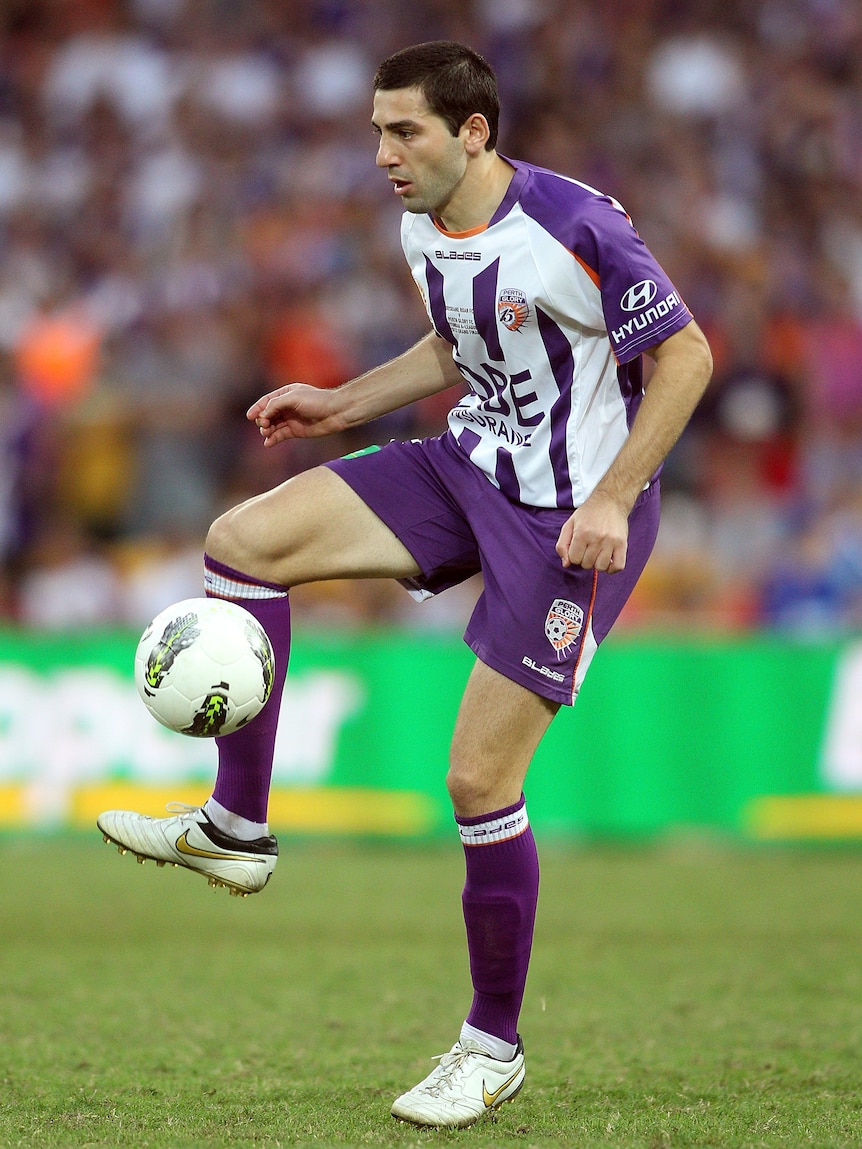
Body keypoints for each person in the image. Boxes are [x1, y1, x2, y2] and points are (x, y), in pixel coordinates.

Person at [97, 40, 713, 1128]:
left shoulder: (576, 227)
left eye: (404, 131)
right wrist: (339, 404)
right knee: (245, 540)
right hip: (469, 464)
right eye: (378, 130)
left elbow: (688, 358)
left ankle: (491, 1047)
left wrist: (613, 495)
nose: (382, 152)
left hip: (568, 516)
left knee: (477, 783)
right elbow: (453, 344)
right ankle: (238, 828)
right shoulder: (421, 220)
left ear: (473, 131)